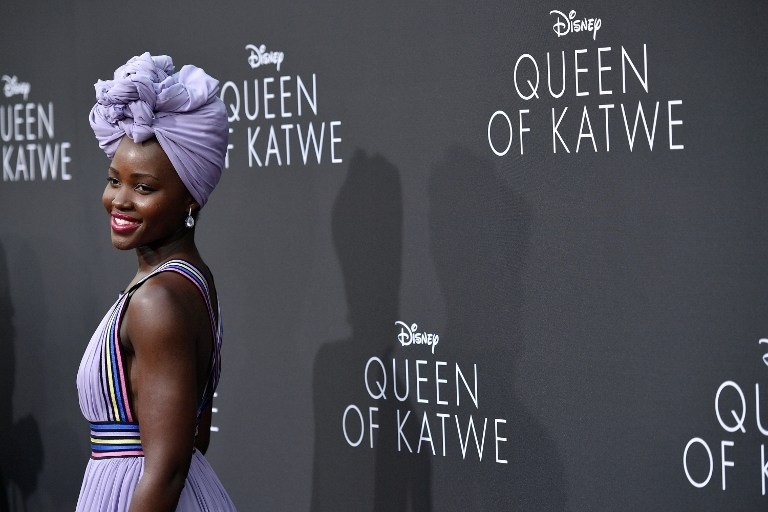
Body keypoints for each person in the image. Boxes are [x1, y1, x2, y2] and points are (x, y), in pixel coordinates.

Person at [75, 53, 236, 511]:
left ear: (189, 196)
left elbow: (167, 471)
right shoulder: (187, 282)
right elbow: (195, 438)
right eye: (113, 180)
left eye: (143, 188)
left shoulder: (158, 301)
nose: (118, 201)